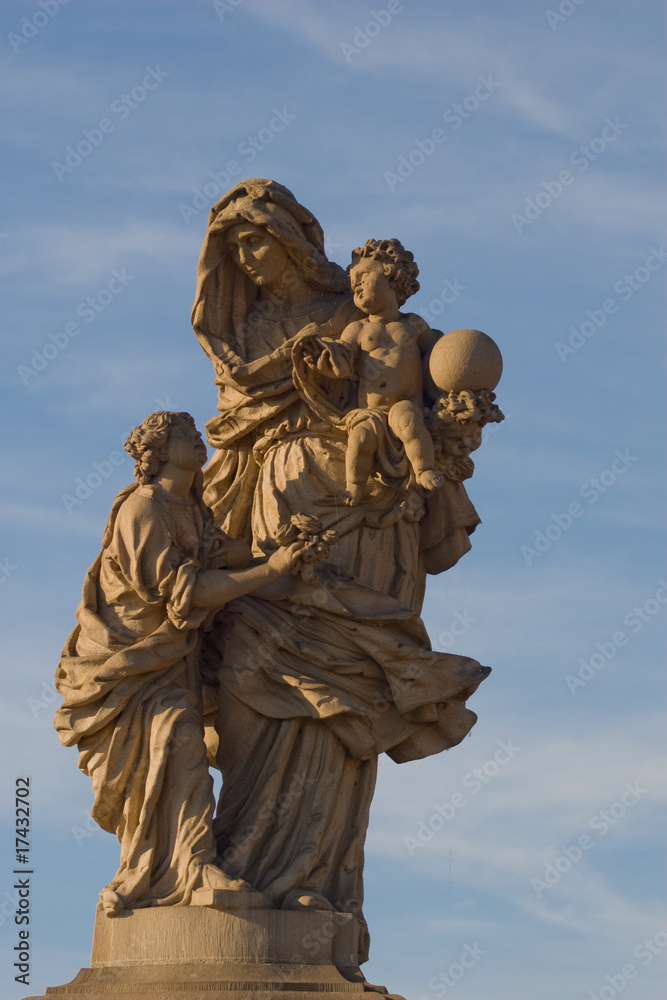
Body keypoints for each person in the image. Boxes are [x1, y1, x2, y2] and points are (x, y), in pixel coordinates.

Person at [192, 179, 489, 968]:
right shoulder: (249, 326)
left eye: (257, 242)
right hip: (266, 514)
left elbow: (431, 405)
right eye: (235, 250)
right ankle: (238, 863)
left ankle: (312, 882)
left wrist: (448, 419)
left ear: (292, 241)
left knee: (339, 697)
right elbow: (235, 427)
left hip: (363, 517)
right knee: (256, 676)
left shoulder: (361, 319)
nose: (249, 261)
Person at [54, 411, 303, 916]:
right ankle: (184, 868)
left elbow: (219, 554)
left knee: (172, 751)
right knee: (179, 739)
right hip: (127, 664)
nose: (198, 439)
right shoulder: (142, 509)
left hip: (168, 658)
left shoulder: (191, 508)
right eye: (185, 434)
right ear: (159, 450)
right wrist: (271, 570)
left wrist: (281, 548)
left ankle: (174, 867)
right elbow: (185, 595)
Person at [303, 238, 446, 505]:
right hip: (371, 411)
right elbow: (342, 363)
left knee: (409, 423)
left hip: (405, 404)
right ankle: (354, 485)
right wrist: (323, 359)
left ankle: (424, 468)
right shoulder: (357, 330)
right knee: (360, 439)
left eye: (363, 275)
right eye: (352, 278)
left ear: (393, 277)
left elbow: (437, 357)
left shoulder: (414, 325)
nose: (354, 283)